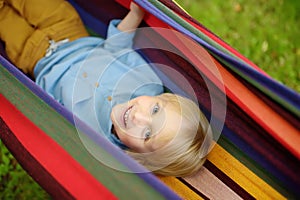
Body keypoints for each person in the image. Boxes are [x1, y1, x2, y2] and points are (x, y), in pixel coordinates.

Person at [0, 0, 212, 176]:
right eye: (155, 110)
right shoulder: (147, 81)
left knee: (5, 23)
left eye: (147, 134)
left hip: (35, 58)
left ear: (137, 156)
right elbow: (117, 46)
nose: (139, 117)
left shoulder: (96, 142)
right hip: (68, 30)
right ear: (163, 97)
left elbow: (50, 119)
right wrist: (136, 14)